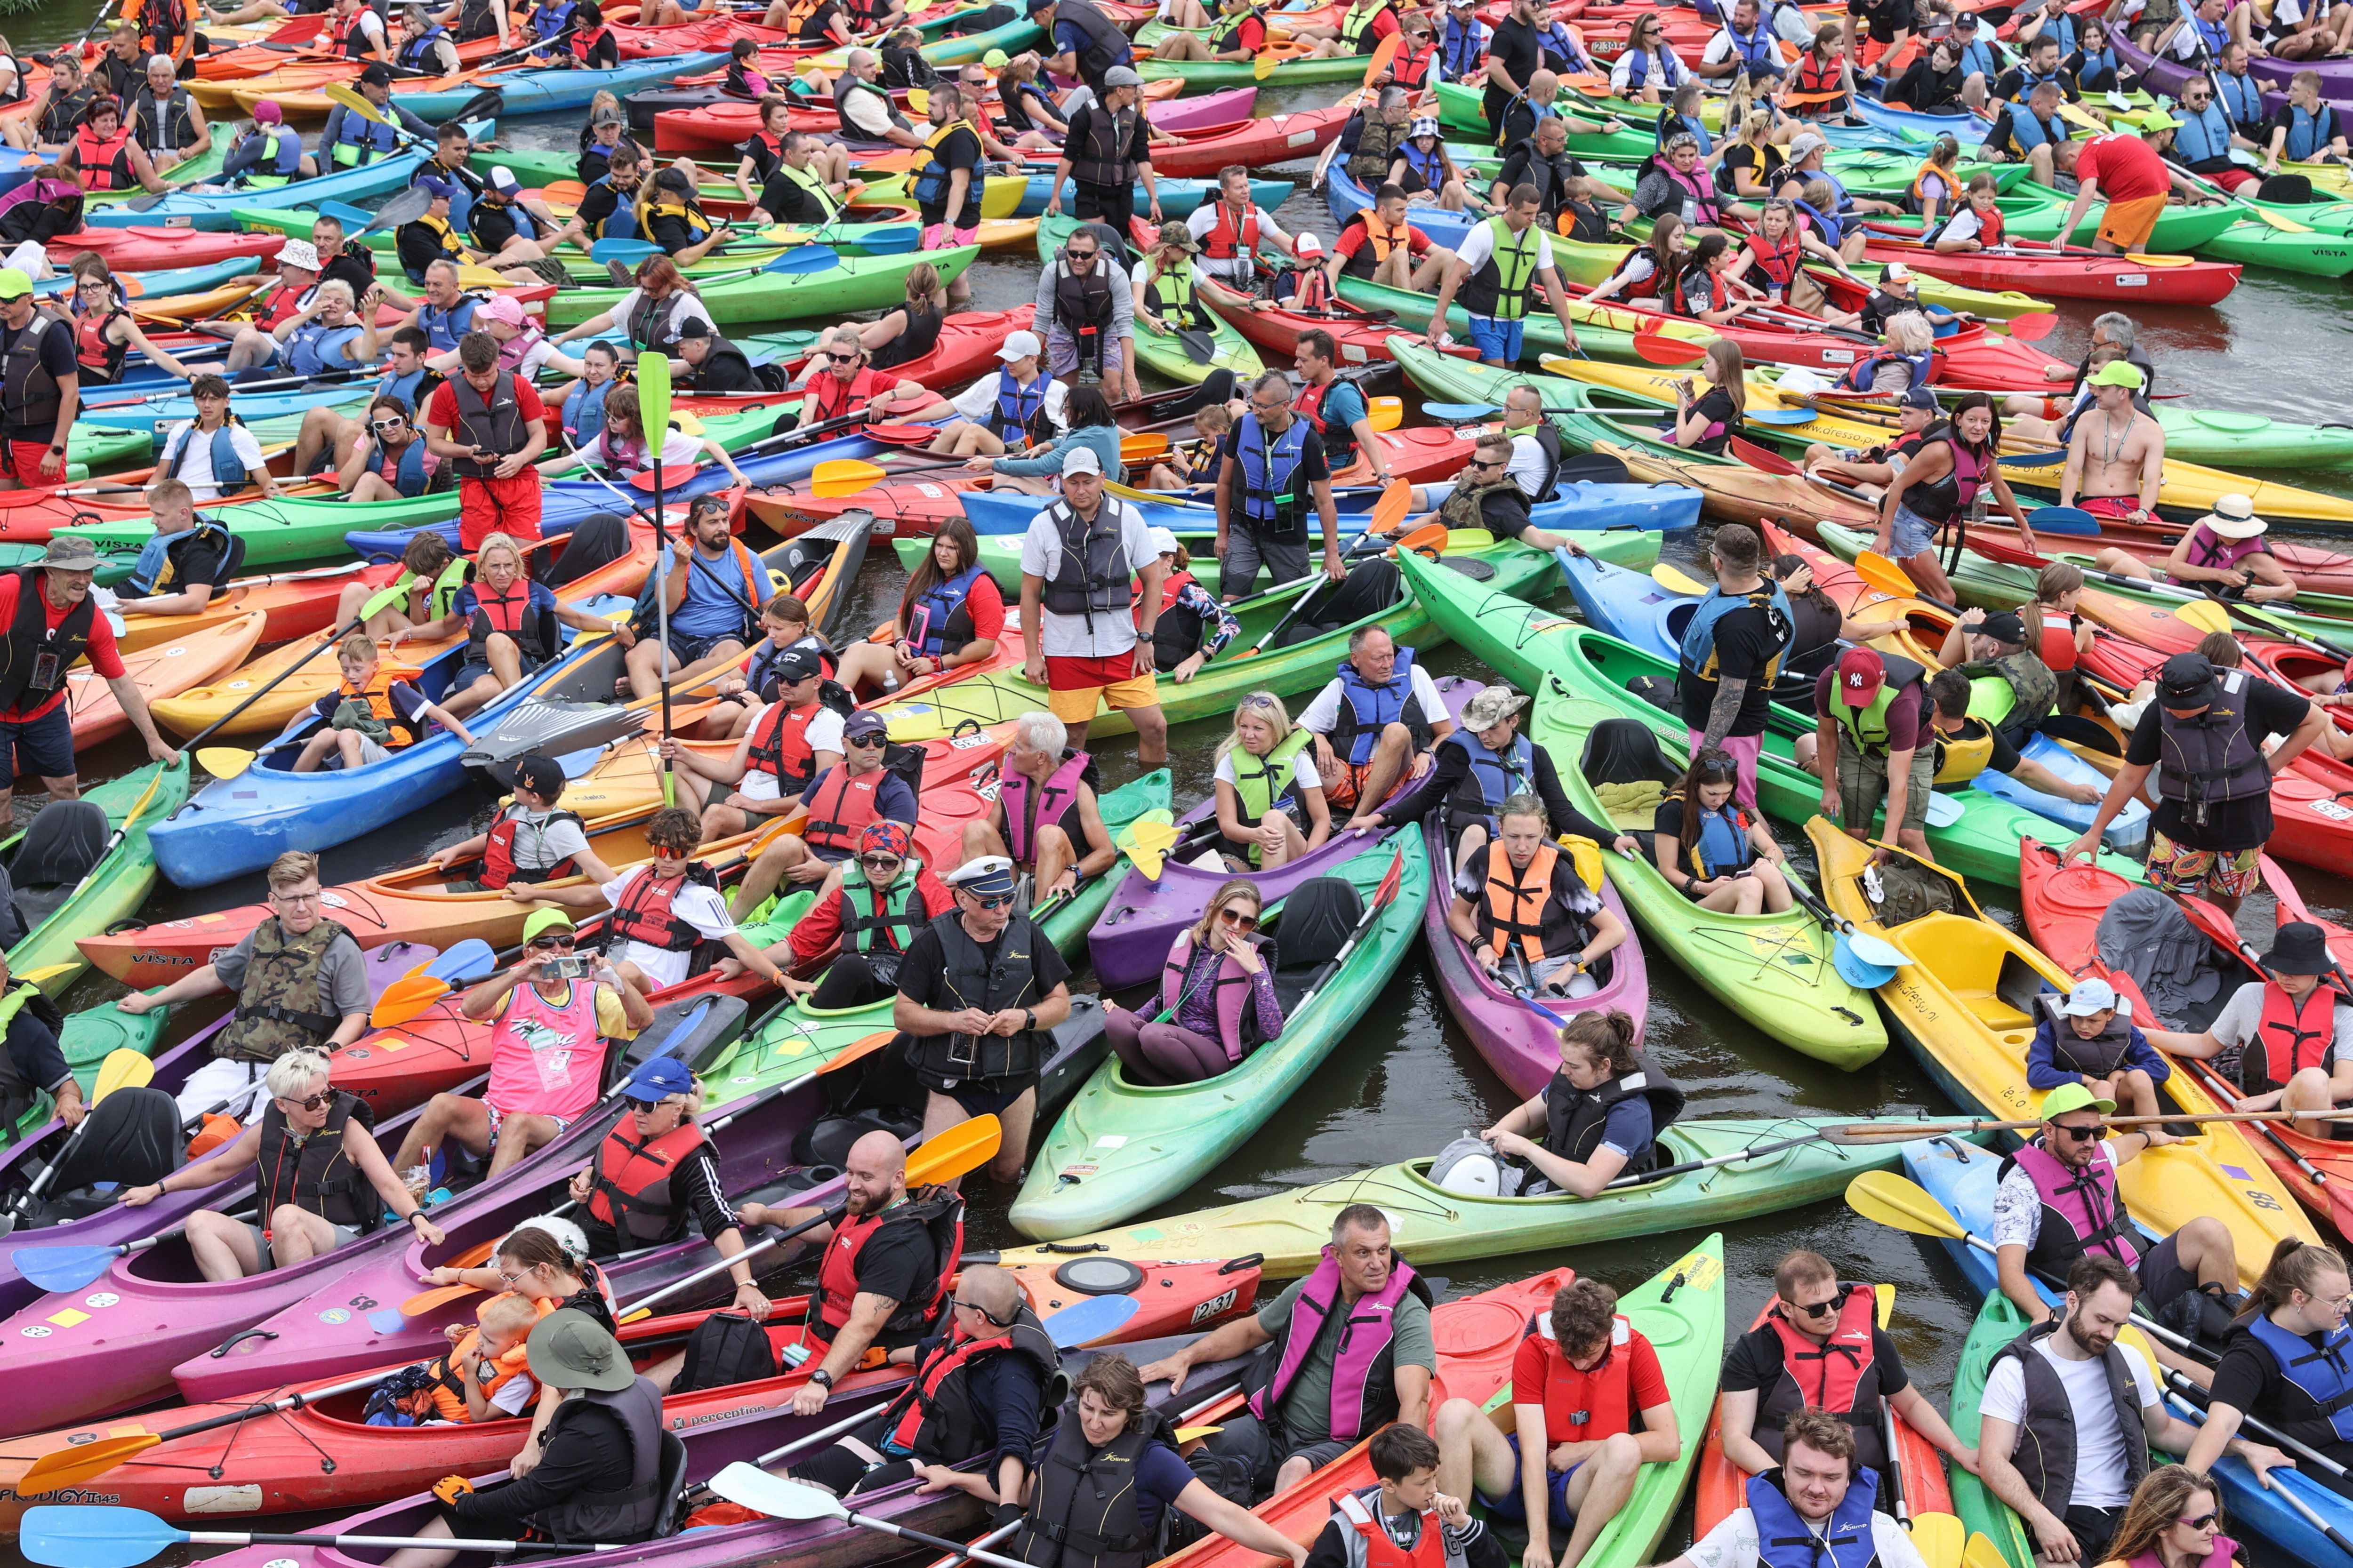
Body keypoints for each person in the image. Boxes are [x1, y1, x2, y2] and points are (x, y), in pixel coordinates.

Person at [1140, 1204, 1435, 1495]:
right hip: (1274, 1427)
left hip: (1338, 1444)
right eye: (1363, 1253)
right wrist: (1186, 1357)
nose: (1377, 1263)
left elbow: (1415, 1401)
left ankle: (1262, 1520)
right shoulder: (1308, 1290)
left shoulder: (1407, 1313)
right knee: (1188, 1446)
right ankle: (1224, 1502)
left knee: (1294, 1468)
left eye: (1383, 1250)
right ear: (1338, 1256)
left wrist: (1407, 1477)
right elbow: (1249, 1332)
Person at [121, 1047, 443, 1280]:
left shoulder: (349, 1131)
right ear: (282, 1105)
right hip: (275, 1242)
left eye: (327, 1095)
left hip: (340, 1245)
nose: (323, 1106)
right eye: (312, 1102)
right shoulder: (267, 1131)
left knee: (287, 1216)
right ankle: (238, 1301)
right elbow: (220, 1168)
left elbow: (388, 1184)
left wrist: (418, 1219)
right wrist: (158, 1188)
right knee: (199, 1223)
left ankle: (294, 1298)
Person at [1976, 1254, 2218, 1565]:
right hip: (2062, 1513)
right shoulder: (2015, 1370)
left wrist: (2235, 1446)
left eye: (2118, 1325)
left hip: (2132, 1512)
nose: (2109, 1334)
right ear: (2072, 1301)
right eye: (2102, 1320)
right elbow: (1993, 1461)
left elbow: (2164, 1431)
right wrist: (2040, 1518)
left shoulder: (2130, 1361)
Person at [387, 907, 652, 1179]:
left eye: (566, 941)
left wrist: (616, 979)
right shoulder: (513, 989)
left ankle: (483, 1204)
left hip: (560, 1126)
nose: (558, 949)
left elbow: (643, 1020)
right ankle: (398, 1194)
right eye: (546, 942)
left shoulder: (592, 995)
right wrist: (518, 975)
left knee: (518, 1123)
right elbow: (470, 1009)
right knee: (441, 1104)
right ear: (528, 953)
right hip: (496, 1115)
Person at [389, 1312, 668, 1566]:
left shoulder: (588, 1433)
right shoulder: (642, 1387)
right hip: (605, 1510)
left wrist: (464, 1503)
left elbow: (529, 1495)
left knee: (465, 1515)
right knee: (461, 1520)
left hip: (596, 1535)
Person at [2064, 651, 2325, 915]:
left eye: (2183, 705)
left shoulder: (2254, 695)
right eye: (2169, 702)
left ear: (2210, 694)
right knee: (2171, 907)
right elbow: (2130, 775)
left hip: (2244, 823)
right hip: (2182, 822)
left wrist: (2273, 765)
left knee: (2225, 908)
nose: (2172, 710)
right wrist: (2096, 832)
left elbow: (2316, 719)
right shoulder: (2159, 712)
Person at [117, 851, 370, 1122]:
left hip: (295, 1067)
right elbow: (214, 976)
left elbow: (357, 1015)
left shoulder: (341, 948)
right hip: (238, 1058)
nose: (302, 907)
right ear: (273, 900)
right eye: (291, 899)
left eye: (309, 896)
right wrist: (151, 1001)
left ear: (320, 893)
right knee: (177, 1118)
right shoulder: (261, 936)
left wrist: (327, 1051)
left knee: (264, 1129)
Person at [1993, 1081, 2246, 1339]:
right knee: (2139, 1339)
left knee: (2211, 1232)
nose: (2091, 1143)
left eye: (2098, 1132)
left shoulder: (2095, 1153)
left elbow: (2126, 1145)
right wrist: (2042, 1313)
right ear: (2049, 1130)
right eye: (2080, 1134)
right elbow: (2010, 1272)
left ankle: (2233, 1335)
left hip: (2139, 1272)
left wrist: (2152, 1137)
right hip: (2091, 1296)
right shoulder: (2020, 1188)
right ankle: (2203, 1365)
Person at [790, 1261, 1057, 1502]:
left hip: (943, 1458)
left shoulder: (1014, 1374)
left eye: (958, 1302)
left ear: (980, 1316)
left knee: (866, 1491)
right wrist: (889, 1356)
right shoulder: (978, 1331)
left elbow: (1015, 1441)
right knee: (814, 1471)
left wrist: (1008, 1505)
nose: (954, 1306)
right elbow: (935, 1350)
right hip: (906, 1428)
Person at [1020, 1353, 1314, 1568]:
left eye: (1108, 1414)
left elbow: (1222, 1515)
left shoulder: (1153, 1460)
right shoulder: (1066, 1437)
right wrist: (1000, 1499)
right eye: (1088, 1408)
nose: (1094, 1423)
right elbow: (1032, 1493)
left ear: (1130, 1414)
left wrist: (1294, 1551)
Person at [894, 855, 1075, 1186]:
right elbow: (903, 1014)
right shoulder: (932, 941)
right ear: (962, 899)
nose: (1002, 910)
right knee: (938, 1185)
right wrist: (954, 1021)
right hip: (954, 1084)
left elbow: (1061, 1004)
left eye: (1008, 898)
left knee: (1008, 1172)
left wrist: (1025, 1017)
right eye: (989, 902)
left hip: (1016, 1078)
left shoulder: (1030, 935)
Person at [1724, 1247, 1978, 1479]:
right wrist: (1786, 1482)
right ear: (1787, 1309)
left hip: (1862, 1473)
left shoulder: (1872, 1340)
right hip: (1784, 1473)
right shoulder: (1752, 1350)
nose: (1830, 1314)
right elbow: (1735, 1439)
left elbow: (1911, 1405)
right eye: (1816, 1309)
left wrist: (1957, 1449)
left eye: (1836, 1302)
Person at [763, 1128, 960, 1416]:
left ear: (898, 1179)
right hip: (820, 1334)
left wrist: (820, 1382)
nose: (853, 1185)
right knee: (729, 1340)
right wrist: (766, 1215)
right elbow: (820, 1224)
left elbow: (865, 1326)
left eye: (866, 1177)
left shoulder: (898, 1245)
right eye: (850, 1172)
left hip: (859, 1358)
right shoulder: (867, 1207)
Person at [564, 1055, 768, 1328]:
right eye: (633, 1101)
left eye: (648, 1105)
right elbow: (600, 1165)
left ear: (678, 1108)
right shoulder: (635, 1124)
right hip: (579, 1230)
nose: (638, 1112)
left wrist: (745, 1283)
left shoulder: (694, 1161)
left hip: (625, 1257)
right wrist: (585, 1177)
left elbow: (719, 1219)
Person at [0, 535, 180, 817]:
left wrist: (153, 740)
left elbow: (121, 682)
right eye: (74, 571)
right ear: (50, 570)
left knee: (66, 787)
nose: (83, 580)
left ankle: (61, 835)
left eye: (89, 571)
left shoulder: (93, 620)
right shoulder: (9, 591)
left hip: (44, 709)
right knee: (0, 797)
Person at [1368, 683, 1635, 871]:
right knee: (1477, 826)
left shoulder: (1537, 756)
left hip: (1522, 839)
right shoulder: (1460, 753)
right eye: (1478, 729)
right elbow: (1427, 798)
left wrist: (1611, 839)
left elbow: (1563, 811)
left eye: (1493, 728)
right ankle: (1468, 899)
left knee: (1554, 853)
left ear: (1513, 721)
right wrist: (1381, 818)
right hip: (1475, 837)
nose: (1484, 736)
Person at [1019, 445, 1169, 765]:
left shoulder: (1128, 518)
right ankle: (1072, 793)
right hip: (1067, 653)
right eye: (1073, 482)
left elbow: (1154, 580)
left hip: (1123, 648)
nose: (1081, 490)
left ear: (1103, 479)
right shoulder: (1042, 526)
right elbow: (1029, 595)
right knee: (1072, 738)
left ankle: (1152, 786)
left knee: (1155, 727)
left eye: (1088, 481)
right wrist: (1033, 655)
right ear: (1062, 482)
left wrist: (1146, 637)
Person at [2144, 921, 2353, 1136]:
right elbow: (2204, 1046)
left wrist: (2277, 1095)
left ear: (2317, 970)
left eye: (2295, 970)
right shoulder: (2250, 996)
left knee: (2313, 1080)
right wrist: (2143, 1034)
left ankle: (2310, 1143)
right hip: (2257, 1107)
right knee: (2311, 1080)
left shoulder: (2345, 1014)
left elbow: (2347, 1085)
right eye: (2280, 967)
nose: (2285, 976)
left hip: (2316, 1115)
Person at [1661, 1410, 1932, 1568]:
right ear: (1784, 1470)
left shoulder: (1883, 1530)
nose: (1816, 1488)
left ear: (1848, 1479)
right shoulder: (1741, 1529)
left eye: (1831, 1477)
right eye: (1804, 1473)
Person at [719, 709, 920, 914]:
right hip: (811, 854)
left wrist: (829, 869)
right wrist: (761, 844)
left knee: (837, 877)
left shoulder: (896, 790)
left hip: (858, 866)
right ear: (844, 744)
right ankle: (730, 922)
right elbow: (790, 822)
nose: (871, 747)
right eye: (861, 741)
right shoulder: (826, 777)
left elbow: (891, 855)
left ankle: (798, 934)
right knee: (783, 843)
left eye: (879, 741)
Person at [394, 534, 614, 719]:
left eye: (508, 565)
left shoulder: (535, 591)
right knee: (490, 688)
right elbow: (445, 627)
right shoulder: (468, 595)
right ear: (482, 567)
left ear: (517, 565)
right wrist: (406, 633)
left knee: (497, 640)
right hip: (478, 669)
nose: (502, 573)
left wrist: (614, 626)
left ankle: (513, 708)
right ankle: (430, 717)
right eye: (495, 566)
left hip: (525, 667)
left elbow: (576, 619)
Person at [747, 820, 952, 1007]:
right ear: (861, 860)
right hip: (860, 974)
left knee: (852, 964)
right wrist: (745, 963)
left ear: (903, 862)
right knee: (849, 965)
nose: (878, 869)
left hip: (911, 975)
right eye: (870, 860)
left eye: (888, 862)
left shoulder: (925, 884)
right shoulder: (845, 893)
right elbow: (800, 943)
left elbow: (952, 932)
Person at [1106, 877, 1285, 1086]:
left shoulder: (1254, 961)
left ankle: (1185, 1087)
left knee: (1153, 1034)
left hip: (1215, 1053)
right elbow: (1163, 999)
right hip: (1171, 1036)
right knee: (1116, 1020)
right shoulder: (1189, 943)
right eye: (1230, 915)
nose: (1236, 926)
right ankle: (1160, 1083)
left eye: (1247, 921)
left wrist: (1257, 972)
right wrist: (1133, 1019)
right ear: (1213, 908)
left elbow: (1273, 1030)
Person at [1449, 793, 1625, 1001]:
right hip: (1507, 967)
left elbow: (1615, 930)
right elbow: (1457, 916)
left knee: (1583, 1014)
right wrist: (1480, 944)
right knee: (1511, 1010)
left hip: (1562, 965)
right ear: (1501, 829)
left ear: (1543, 830)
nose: (1522, 847)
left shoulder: (1559, 872)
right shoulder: (1483, 860)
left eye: (1531, 837)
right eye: (1514, 837)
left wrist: (1571, 967)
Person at [1876, 392, 2032, 608]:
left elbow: (1999, 488)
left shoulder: (1985, 447)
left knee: (1913, 588)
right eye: (1972, 420)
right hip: (1909, 527)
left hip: (1928, 528)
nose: (1978, 427)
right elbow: (1898, 486)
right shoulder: (1940, 451)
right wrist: (1884, 536)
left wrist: (2024, 527)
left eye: (1985, 421)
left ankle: (1904, 620)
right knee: (1947, 597)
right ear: (1959, 420)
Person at [1675, 524, 1791, 811]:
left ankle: (1762, 840)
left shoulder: (1737, 627)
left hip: (1730, 736)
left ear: (1718, 562)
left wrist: (1707, 754)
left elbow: (1730, 697)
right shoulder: (1766, 587)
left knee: (1740, 805)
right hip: (1736, 724)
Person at [1303, 625, 1455, 828]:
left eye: (1390, 656)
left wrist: (1428, 753)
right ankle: (1316, 821)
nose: (1387, 665)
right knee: (1297, 748)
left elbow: (1447, 733)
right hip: (1347, 777)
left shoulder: (1415, 675)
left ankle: (1358, 819)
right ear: (1356, 659)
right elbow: (1295, 731)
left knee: (1395, 731)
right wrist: (1318, 737)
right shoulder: (1339, 687)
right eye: (1378, 659)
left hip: (1397, 777)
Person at [1217, 369, 1343, 605]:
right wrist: (1223, 534)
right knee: (1231, 598)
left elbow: (1325, 502)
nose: (1255, 410)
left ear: (1285, 406)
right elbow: (1224, 483)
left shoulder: (1309, 441)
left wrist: (1332, 554)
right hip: (1245, 528)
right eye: (1254, 403)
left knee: (1301, 602)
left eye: (1263, 406)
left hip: (1287, 533)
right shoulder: (1242, 427)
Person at [963, 711, 1116, 901]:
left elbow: (1107, 854)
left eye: (1019, 747)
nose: (1011, 751)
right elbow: (988, 833)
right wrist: (959, 869)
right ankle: (980, 904)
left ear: (1041, 757)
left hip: (1056, 876)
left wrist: (1072, 872)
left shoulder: (1080, 791)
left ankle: (1038, 914)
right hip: (1014, 872)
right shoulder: (1011, 785)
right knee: (976, 829)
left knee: (1050, 834)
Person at [618, 498, 759, 703]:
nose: (723, 528)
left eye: (725, 520)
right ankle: (655, 712)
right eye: (713, 522)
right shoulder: (672, 553)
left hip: (722, 639)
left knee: (732, 656)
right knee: (636, 657)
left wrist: (769, 620)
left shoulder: (747, 557)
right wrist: (680, 564)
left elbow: (769, 605)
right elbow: (667, 607)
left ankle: (656, 684)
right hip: (676, 636)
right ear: (694, 529)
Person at [1425, 184, 1583, 367]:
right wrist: (1439, 318)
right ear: (1510, 208)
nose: (1533, 218)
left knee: (1509, 371)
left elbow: (1552, 284)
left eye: (1536, 212)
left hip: (1516, 320)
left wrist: (1568, 327)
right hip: (1486, 318)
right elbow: (1455, 276)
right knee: (1497, 371)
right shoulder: (1484, 232)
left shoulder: (1540, 238)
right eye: (1527, 213)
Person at [421, 332, 547, 551]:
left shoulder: (519, 385)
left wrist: (520, 459)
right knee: (486, 555)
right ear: (463, 364)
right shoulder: (446, 392)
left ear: (498, 361)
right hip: (476, 485)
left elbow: (540, 436)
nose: (481, 382)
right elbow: (434, 442)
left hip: (521, 481)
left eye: (487, 375)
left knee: (525, 553)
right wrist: (467, 452)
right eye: (474, 375)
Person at [289, 632, 475, 774]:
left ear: (375, 666)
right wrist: (282, 741)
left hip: (390, 758)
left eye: (357, 669)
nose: (351, 675)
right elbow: (304, 714)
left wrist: (470, 740)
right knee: (325, 734)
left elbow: (439, 714)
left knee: (346, 735)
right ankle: (294, 781)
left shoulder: (394, 689)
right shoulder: (341, 693)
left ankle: (356, 786)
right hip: (352, 753)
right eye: (346, 670)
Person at [432, 752, 615, 894]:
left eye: (516, 785)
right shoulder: (517, 808)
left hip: (512, 897)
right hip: (485, 886)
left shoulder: (561, 829)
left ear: (534, 797)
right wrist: (456, 850)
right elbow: (495, 838)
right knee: (417, 894)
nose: (512, 786)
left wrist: (622, 894)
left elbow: (594, 867)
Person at [1653, 747, 1796, 915]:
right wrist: (1704, 887)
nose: (1719, 801)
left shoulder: (1733, 809)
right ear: (1696, 784)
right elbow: (1668, 870)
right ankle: (1746, 931)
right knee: (1751, 886)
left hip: (1737, 885)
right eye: (1712, 793)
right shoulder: (1673, 810)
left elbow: (1774, 850)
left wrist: (1766, 861)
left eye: (1726, 793)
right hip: (1699, 895)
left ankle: (1788, 924)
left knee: (1768, 870)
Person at [2053, 120, 2216, 257]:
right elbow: (2154, 164)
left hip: (2135, 196)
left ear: (2071, 156)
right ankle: (2139, 282)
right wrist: (2188, 187)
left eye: (2070, 169)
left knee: (2102, 249)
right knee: (2135, 252)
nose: (2075, 174)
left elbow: (2087, 192)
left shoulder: (2085, 156)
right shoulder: (2105, 140)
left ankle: (2108, 285)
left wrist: (2067, 232)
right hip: (2159, 194)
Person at [1210, 690, 1332, 870]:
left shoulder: (1299, 760)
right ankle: (1261, 879)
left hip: (1294, 853)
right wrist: (1255, 835)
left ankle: (1271, 880)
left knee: (1273, 818)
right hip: (1244, 853)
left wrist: (1308, 861)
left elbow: (1322, 820)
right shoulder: (1229, 762)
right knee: (1210, 874)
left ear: (1276, 731)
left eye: (1258, 729)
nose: (1248, 735)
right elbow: (1227, 825)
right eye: (1244, 727)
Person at [2030, 977, 2169, 1125]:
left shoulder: (2128, 1032)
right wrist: (2084, 1079)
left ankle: (2153, 1135)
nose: (2083, 1026)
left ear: (2110, 1015)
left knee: (2140, 1077)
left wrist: (2119, 1074)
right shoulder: (2050, 1030)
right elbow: (2036, 1075)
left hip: (2117, 1104)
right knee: (2103, 1088)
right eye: (2077, 1017)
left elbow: (2160, 1068)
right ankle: (2100, 1137)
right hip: (2074, 1107)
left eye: (2093, 1021)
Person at [1045, 65, 1161, 241]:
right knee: (1094, 241)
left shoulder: (1136, 120)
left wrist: (1153, 199)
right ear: (1120, 90)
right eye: (1134, 87)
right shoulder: (1085, 116)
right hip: (1090, 192)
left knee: (1117, 242)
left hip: (1122, 193)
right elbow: (1068, 157)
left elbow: (1143, 160)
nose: (1137, 92)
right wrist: (1056, 196)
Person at [1030, 225, 1138, 403]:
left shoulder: (1116, 274)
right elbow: (1042, 320)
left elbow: (1125, 323)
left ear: (1097, 254)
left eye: (1086, 255)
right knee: (1066, 392)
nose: (1078, 260)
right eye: (1073, 254)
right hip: (1065, 329)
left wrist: (1130, 374)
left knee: (1113, 390)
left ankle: (1111, 419)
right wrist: (1029, 359)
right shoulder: (1051, 273)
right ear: (1066, 251)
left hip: (1106, 329)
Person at [2057, 362, 2167, 531]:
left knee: (2160, 534)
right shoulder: (2086, 421)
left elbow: (2152, 481)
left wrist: (2143, 511)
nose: (2096, 393)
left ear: (2123, 393)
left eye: (2103, 389)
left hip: (2131, 506)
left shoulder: (2153, 431)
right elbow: (2072, 469)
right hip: (2092, 503)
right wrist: (2066, 502)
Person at [0, 268, 80, 490]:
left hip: (39, 436)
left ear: (30, 298)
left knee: (46, 500)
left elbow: (71, 394)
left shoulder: (54, 333)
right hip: (4, 432)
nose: (2, 305)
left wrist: (57, 448)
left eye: (9, 299)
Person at [112, 479, 229, 618]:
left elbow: (197, 603)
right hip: (120, 595)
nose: (153, 521)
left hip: (128, 606)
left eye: (160, 515)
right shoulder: (170, 533)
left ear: (184, 514)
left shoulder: (200, 552)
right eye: (154, 514)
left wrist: (141, 607)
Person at [155, 375, 279, 504]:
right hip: (173, 499)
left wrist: (272, 490)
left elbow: (267, 483)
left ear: (226, 402)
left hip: (205, 505)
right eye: (202, 399)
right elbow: (158, 477)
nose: (207, 405)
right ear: (195, 401)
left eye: (214, 399)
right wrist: (149, 501)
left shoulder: (241, 436)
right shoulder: (181, 429)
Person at [1188, 164, 1301, 291]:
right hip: (1214, 279)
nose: (1246, 191)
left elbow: (1288, 245)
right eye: (1239, 188)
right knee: (1235, 297)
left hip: (1247, 279)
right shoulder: (1204, 215)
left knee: (1270, 296)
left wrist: (1313, 258)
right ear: (1225, 192)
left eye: (1247, 186)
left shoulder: (1258, 215)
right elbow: (1180, 246)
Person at [1332, 183, 1454, 294]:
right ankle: (1408, 303)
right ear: (1383, 210)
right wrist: (1330, 288)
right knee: (1400, 254)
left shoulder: (1411, 232)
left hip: (1405, 288)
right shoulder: (1357, 231)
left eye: (1405, 209)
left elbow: (1441, 253)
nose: (1406, 214)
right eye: (1400, 210)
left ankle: (1454, 305)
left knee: (1448, 254)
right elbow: (1333, 268)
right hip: (1372, 289)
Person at [59, 95, 167, 195]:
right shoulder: (78, 139)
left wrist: (169, 185)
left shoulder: (129, 144)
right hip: (81, 198)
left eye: (113, 120)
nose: (110, 125)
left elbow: (152, 182)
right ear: (92, 122)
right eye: (104, 121)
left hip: (116, 200)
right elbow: (57, 168)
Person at [2266, 70, 2346, 171]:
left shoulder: (2331, 114)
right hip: (2295, 167)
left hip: (2321, 167)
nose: (2289, 93)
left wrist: (2325, 151)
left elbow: (2343, 148)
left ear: (2309, 93)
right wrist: (2271, 161)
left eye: (2294, 90)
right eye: (2290, 88)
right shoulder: (2286, 112)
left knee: (2345, 160)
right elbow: (2278, 139)